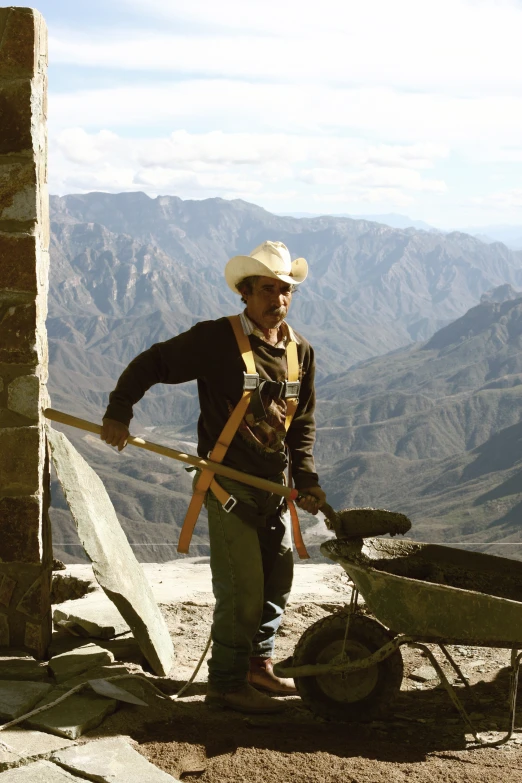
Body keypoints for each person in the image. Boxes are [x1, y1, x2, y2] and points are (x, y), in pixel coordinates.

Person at [101, 240, 326, 714]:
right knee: (242, 589)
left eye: (286, 291)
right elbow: (153, 363)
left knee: (276, 582)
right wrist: (120, 409)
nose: (278, 300)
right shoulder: (216, 340)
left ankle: (256, 667)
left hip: (275, 487)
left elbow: (301, 422)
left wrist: (305, 478)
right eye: (268, 290)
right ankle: (225, 682)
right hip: (229, 485)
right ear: (245, 293)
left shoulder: (299, 351)